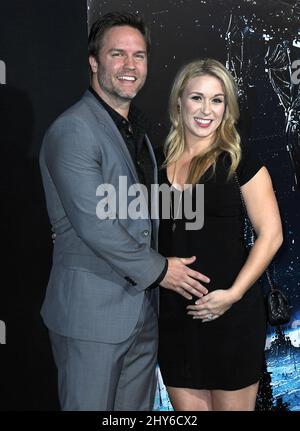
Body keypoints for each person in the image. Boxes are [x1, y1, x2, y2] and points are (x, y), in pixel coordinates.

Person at [39, 12, 209, 411]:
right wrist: (164, 270)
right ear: (94, 62)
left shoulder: (139, 135)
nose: (130, 66)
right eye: (118, 54)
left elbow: (144, 214)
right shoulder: (74, 130)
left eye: (139, 55)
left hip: (141, 314)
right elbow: (95, 223)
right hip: (91, 317)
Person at [157, 59, 283, 411]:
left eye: (217, 100)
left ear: (227, 107)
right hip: (174, 321)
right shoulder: (153, 163)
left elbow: (271, 235)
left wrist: (232, 294)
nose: (206, 110)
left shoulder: (240, 160)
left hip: (230, 317)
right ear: (179, 101)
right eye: (197, 98)